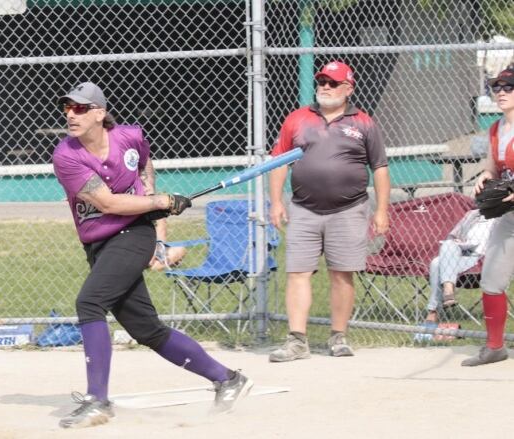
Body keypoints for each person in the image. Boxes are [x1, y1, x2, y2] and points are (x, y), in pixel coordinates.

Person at [52, 82, 253, 428]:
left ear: (100, 113)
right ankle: (228, 379)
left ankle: (97, 400)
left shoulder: (130, 137)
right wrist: (160, 202)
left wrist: (157, 218)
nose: (71, 114)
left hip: (133, 234)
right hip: (99, 243)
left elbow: (145, 167)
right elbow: (107, 203)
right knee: (146, 329)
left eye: (81, 108)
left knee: (90, 302)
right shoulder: (67, 156)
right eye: (67, 107)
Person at [268, 61, 390, 362]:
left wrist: (382, 210)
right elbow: (278, 161)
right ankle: (297, 341)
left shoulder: (363, 123)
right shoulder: (298, 119)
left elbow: (380, 167)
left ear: (348, 88)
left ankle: (338, 337)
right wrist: (276, 202)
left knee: (342, 274)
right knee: (297, 272)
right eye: (322, 81)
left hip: (349, 209)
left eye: (333, 83)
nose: (325, 87)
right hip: (304, 209)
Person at [463, 65, 514, 367]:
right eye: (497, 87)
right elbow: (493, 166)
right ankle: (495, 347)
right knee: (492, 278)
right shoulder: (496, 128)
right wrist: (484, 175)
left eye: (509, 87)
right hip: (510, 216)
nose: (502, 92)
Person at [424, 209, 496, 324]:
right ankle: (448, 289)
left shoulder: (503, 216)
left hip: (481, 258)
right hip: (462, 254)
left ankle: (433, 311)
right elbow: (452, 235)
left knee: (436, 263)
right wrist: (458, 241)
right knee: (448, 245)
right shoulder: (473, 214)